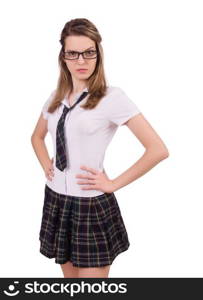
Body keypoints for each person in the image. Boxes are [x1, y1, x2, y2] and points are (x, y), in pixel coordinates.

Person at [30, 18, 169, 278]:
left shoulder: (111, 98)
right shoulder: (55, 97)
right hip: (57, 200)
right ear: (63, 57)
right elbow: (36, 137)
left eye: (88, 53)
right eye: (73, 53)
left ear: (98, 54)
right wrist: (46, 164)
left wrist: (113, 183)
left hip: (90, 205)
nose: (81, 61)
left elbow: (157, 149)